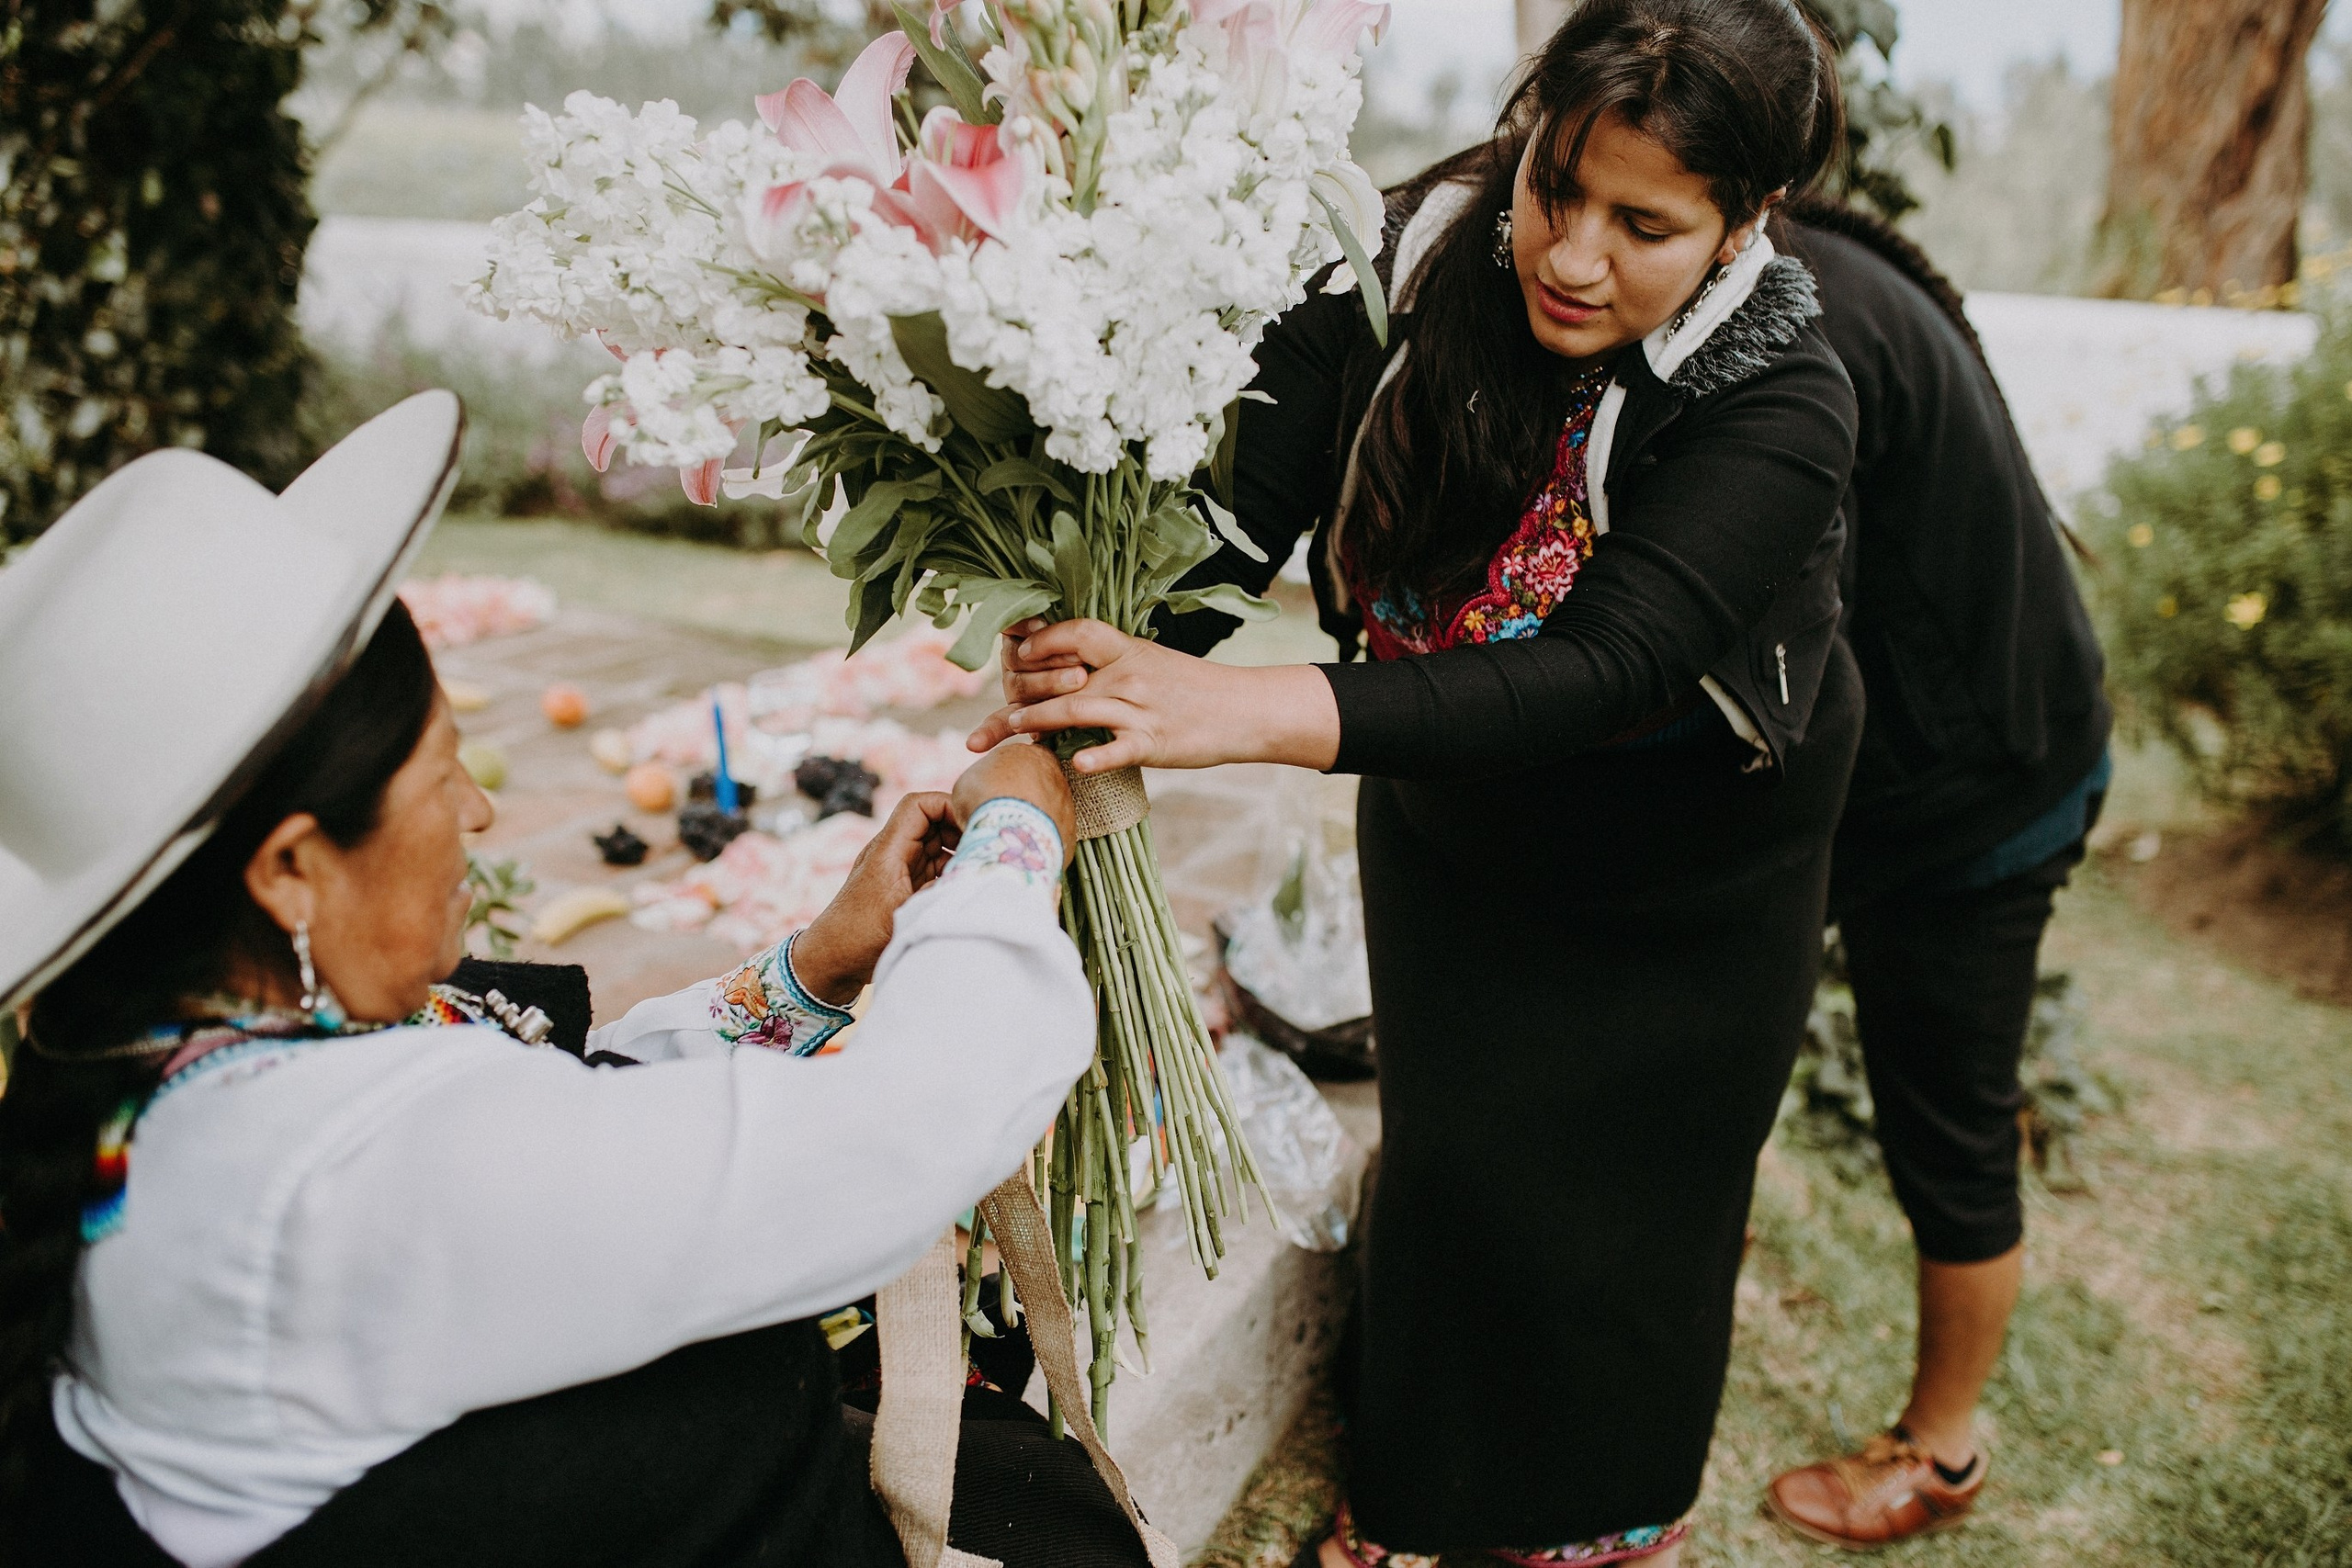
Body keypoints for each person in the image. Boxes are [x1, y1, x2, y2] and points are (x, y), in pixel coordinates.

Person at [972, 2, 1860, 1561]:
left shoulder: (1784, 399)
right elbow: (1242, 513)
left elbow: (1607, 665)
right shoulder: (1393, 259)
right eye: (1554, 187)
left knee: (1638, 1189)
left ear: (1748, 223)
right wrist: (1121, 657)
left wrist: (1234, 708)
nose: (1571, 256)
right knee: (1462, 1151)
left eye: (1644, 226)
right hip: (1454, 801)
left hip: (1688, 853)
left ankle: (1603, 1506)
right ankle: (1422, 1485)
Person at [0, 394, 1154, 1568]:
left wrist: (815, 966)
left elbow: (578, 1121)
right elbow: (905, 1134)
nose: (480, 811)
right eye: (441, 777)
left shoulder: (166, 1068)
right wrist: (1016, 834)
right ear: (293, 867)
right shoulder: (334, 1189)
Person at [1750, 200, 2111, 1549]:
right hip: (1930, 756)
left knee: (1947, 1121)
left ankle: (1941, 1450)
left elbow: (1777, 622)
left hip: (1980, 788)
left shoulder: (1808, 325)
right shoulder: (1793, 265)